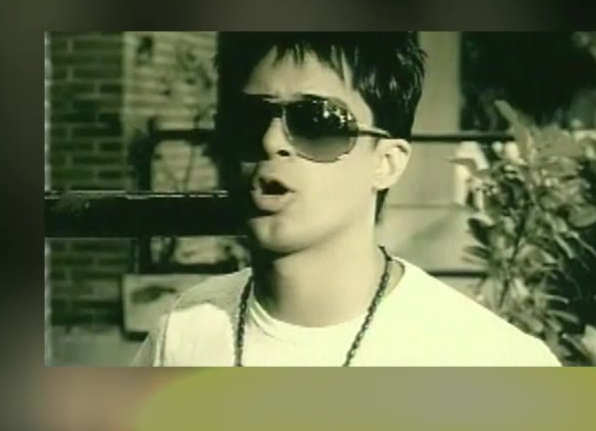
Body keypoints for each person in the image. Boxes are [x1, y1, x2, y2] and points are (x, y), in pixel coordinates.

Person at [132, 32, 561, 367]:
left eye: (317, 121)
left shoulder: (489, 360)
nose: (271, 140)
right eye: (249, 119)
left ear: (387, 163)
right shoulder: (182, 336)